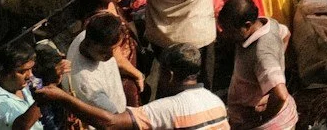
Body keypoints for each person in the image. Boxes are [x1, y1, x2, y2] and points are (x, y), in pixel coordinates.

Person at [38, 46, 218, 130]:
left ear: (169, 75)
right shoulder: (215, 102)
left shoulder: (167, 108)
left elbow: (110, 123)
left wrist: (63, 98)